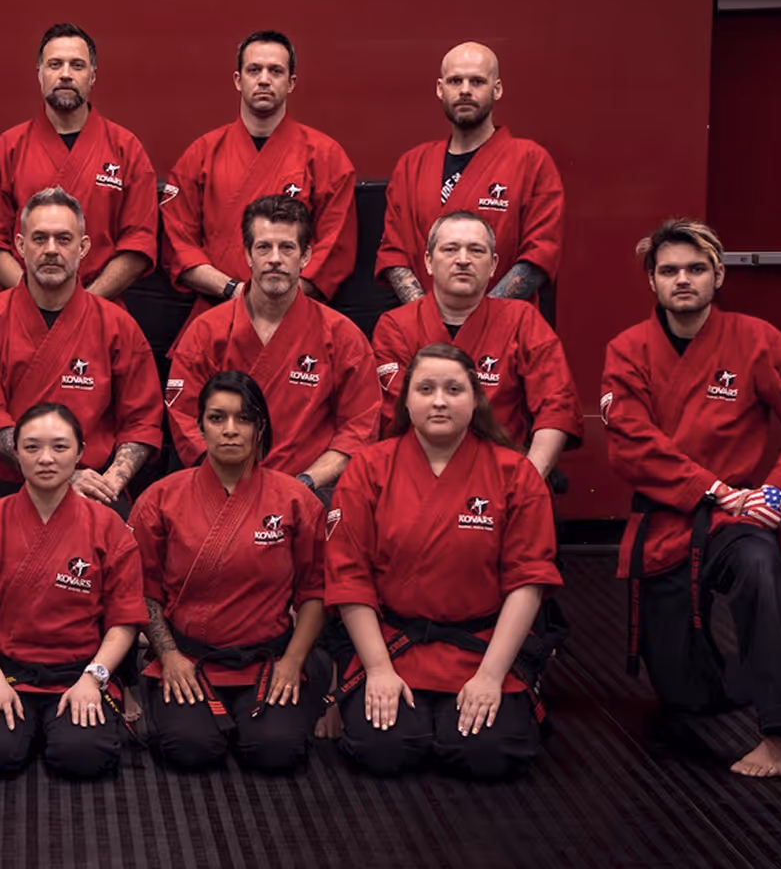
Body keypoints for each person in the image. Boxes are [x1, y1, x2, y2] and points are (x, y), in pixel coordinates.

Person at [326, 343, 561, 780]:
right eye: (426, 388)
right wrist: (377, 669)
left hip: (483, 647)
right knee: (384, 750)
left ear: (476, 399)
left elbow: (528, 581)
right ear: (406, 400)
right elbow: (348, 576)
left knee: (490, 753)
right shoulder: (367, 469)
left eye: (454, 389)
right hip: (393, 645)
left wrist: (492, 676)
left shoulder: (515, 473)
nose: (439, 400)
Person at [602, 218, 781, 777]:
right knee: (686, 696)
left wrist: (774, 492)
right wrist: (713, 491)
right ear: (652, 282)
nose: (683, 279)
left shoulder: (758, 339)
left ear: (718, 275)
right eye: (670, 270)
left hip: (739, 521)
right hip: (670, 518)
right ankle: (732, 679)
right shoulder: (627, 350)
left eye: (696, 269)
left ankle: (778, 734)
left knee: (761, 568)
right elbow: (633, 446)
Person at [130, 371, 328, 772]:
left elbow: (315, 591)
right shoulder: (161, 498)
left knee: (277, 753)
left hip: (268, 660)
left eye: (244, 419)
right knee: (189, 750)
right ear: (200, 425)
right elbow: (142, 589)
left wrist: (292, 661)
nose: (231, 430)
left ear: (261, 428)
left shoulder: (295, 501)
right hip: (188, 660)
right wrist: (168, 656)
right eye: (217, 418)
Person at [0, 404, 148, 779]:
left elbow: (125, 619)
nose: (45, 459)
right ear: (17, 453)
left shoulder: (109, 526)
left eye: (59, 447)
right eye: (32, 447)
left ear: (79, 452)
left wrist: (95, 678)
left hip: (80, 671)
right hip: (7, 671)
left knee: (84, 758)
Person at [0, 187, 162, 507]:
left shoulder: (118, 326)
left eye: (64, 239)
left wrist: (110, 483)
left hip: (94, 494)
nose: (51, 250)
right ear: (20, 246)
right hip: (8, 495)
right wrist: (63, 476)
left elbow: (142, 421)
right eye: (39, 239)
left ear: (83, 248)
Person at [166, 196, 379, 493]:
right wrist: (230, 480)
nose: (275, 258)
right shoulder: (205, 332)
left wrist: (304, 483)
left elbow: (357, 431)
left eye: (287, 248)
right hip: (220, 486)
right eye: (264, 247)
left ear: (305, 257)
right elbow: (185, 418)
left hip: (308, 493)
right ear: (248, 256)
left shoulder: (343, 337)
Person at [372, 211, 582, 481]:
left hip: (502, 478)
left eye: (476, 250)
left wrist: (528, 483)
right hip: (417, 480)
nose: (463, 260)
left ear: (494, 264)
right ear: (428, 261)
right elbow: (397, 419)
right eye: (450, 249)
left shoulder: (522, 320)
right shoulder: (395, 326)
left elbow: (557, 409)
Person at [161, 31, 357, 312]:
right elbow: (178, 245)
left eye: (275, 71)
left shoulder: (327, 157)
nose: (264, 79)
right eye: (254, 70)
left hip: (298, 314)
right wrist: (234, 291)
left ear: (291, 83)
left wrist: (272, 299)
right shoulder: (200, 155)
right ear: (238, 80)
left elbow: (333, 251)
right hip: (218, 312)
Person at [0, 23, 157, 301]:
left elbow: (139, 242)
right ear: (40, 74)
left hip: (101, 308)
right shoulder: (7, 149)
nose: (66, 74)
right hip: (22, 310)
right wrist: (36, 300)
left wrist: (86, 306)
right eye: (55, 64)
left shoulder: (126, 149)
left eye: (78, 66)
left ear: (93, 76)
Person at [376, 42, 564, 306]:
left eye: (477, 81)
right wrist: (429, 321)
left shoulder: (531, 161)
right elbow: (394, 254)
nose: (465, 90)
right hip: (425, 337)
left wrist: (478, 323)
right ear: (440, 89)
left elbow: (539, 255)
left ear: (496, 89)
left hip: (506, 334)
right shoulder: (411, 165)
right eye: (455, 81)